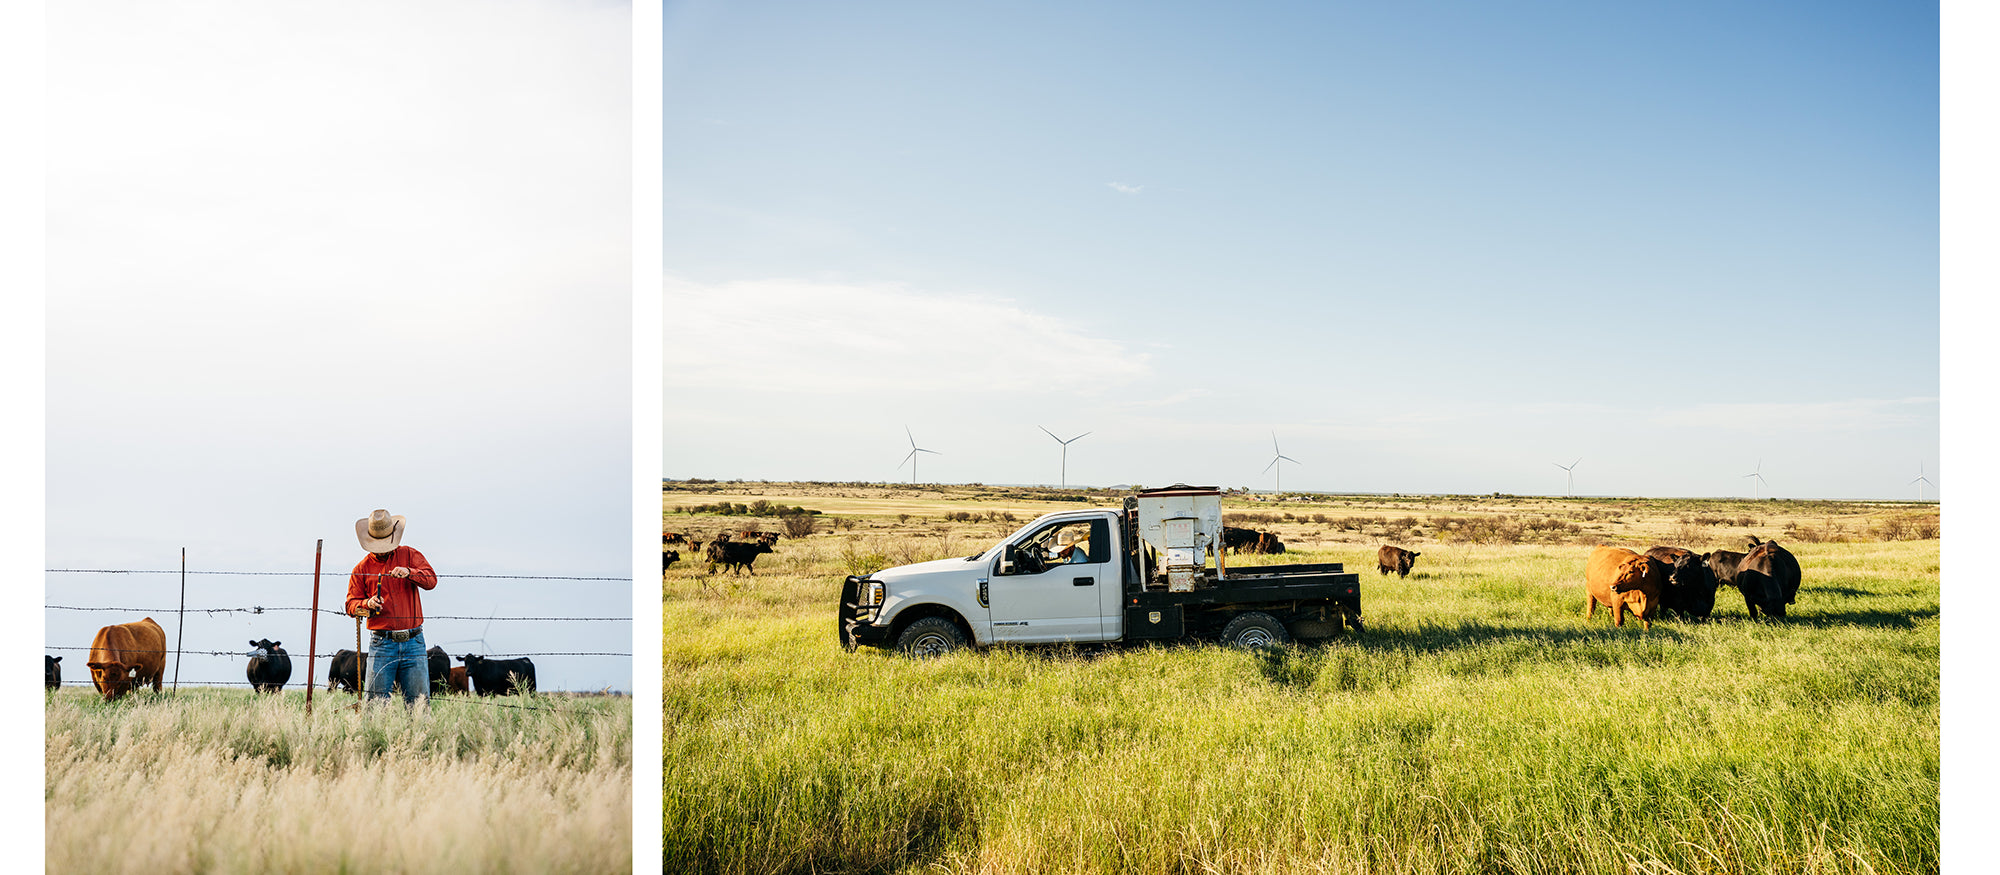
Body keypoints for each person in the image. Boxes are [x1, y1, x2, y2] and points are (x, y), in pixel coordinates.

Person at [345, 509, 439, 706]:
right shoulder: (361, 569)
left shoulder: (409, 555)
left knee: (419, 705)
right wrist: (367, 603)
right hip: (382, 643)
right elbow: (350, 604)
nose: (381, 549)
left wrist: (410, 572)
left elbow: (431, 581)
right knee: (375, 706)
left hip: (414, 640)